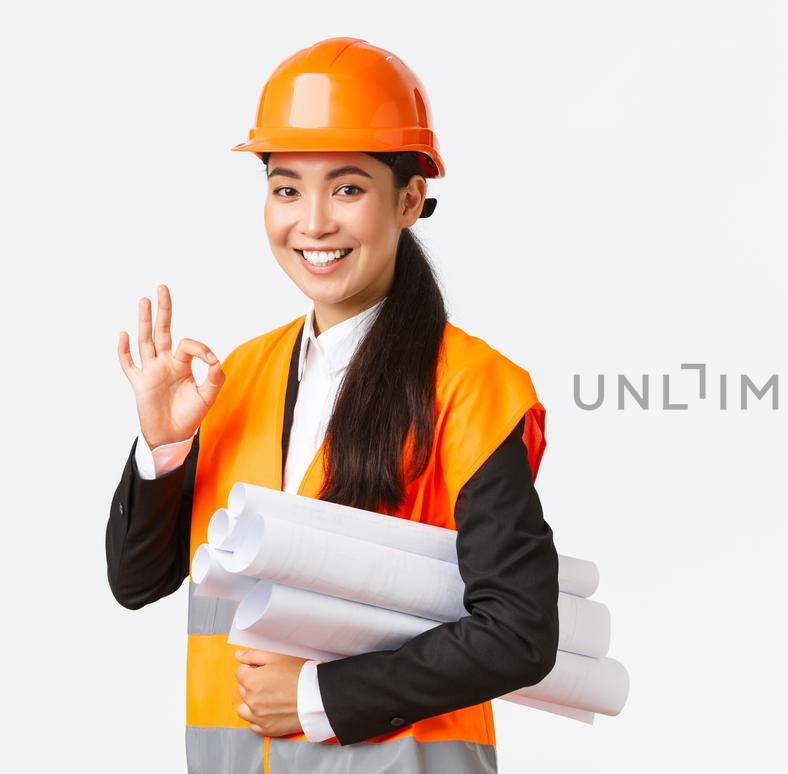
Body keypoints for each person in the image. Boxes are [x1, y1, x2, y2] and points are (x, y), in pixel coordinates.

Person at [104, 37, 559, 774]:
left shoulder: (472, 386)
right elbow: (137, 583)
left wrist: (320, 697)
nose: (311, 223)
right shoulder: (237, 376)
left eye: (347, 188)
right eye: (287, 188)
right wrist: (163, 449)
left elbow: (520, 631)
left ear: (409, 199)